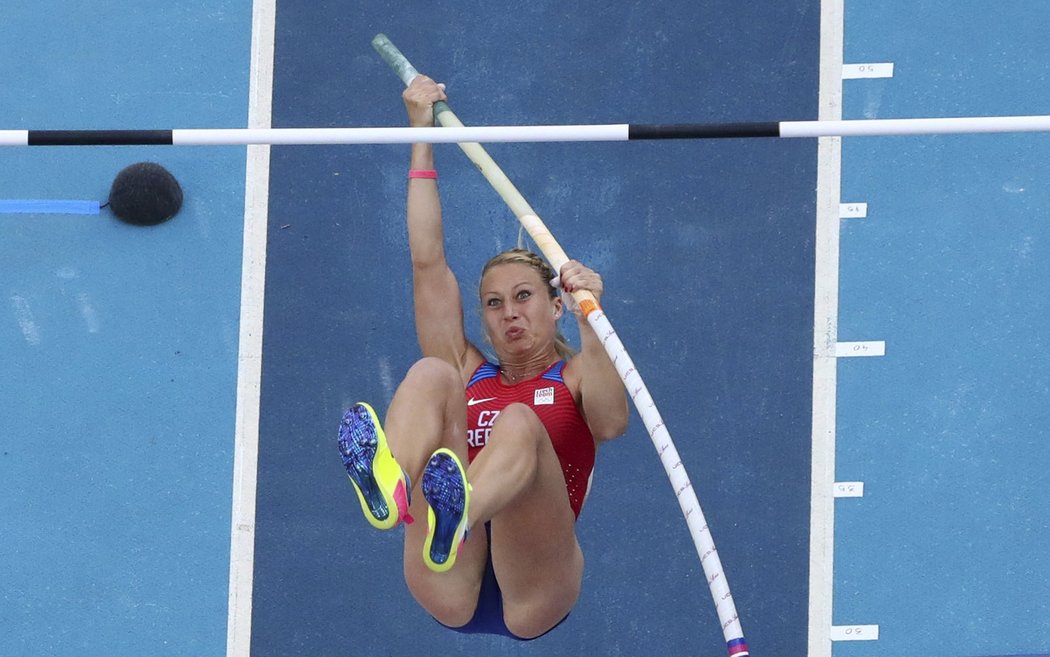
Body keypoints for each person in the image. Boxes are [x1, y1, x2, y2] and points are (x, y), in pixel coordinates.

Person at [337, 75, 629, 640]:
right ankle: (393, 485)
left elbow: (613, 422)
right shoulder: (472, 372)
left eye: (523, 297)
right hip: (448, 578)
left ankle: (458, 513)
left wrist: (595, 312)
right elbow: (428, 261)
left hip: (536, 585)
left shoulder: (575, 377)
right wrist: (421, 134)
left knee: (520, 423)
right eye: (493, 304)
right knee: (431, 372)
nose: (508, 314)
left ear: (556, 306)